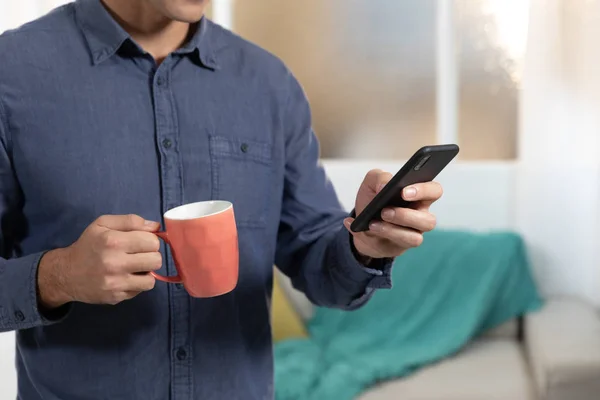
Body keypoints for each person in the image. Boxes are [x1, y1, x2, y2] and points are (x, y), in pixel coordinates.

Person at [0, 0, 444, 399]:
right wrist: (57, 277)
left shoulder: (268, 84)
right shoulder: (13, 72)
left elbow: (319, 261)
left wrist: (362, 247)